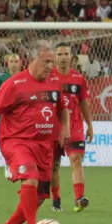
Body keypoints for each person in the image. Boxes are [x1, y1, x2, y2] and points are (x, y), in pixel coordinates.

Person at [0, 42, 70, 224]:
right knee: (29, 178)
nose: (50, 65)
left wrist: (65, 126)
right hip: (17, 141)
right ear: (33, 60)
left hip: (44, 146)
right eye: (46, 61)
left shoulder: (54, 83)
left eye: (52, 61)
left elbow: (62, 108)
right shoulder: (15, 84)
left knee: (39, 197)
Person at [49, 42, 94, 213]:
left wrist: (89, 125)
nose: (62, 58)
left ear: (71, 57)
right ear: (54, 57)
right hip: (53, 127)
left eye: (65, 54)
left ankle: (79, 198)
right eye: (59, 54)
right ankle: (56, 199)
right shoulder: (48, 78)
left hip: (75, 125)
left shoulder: (78, 79)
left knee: (76, 159)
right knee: (54, 165)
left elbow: (84, 103)